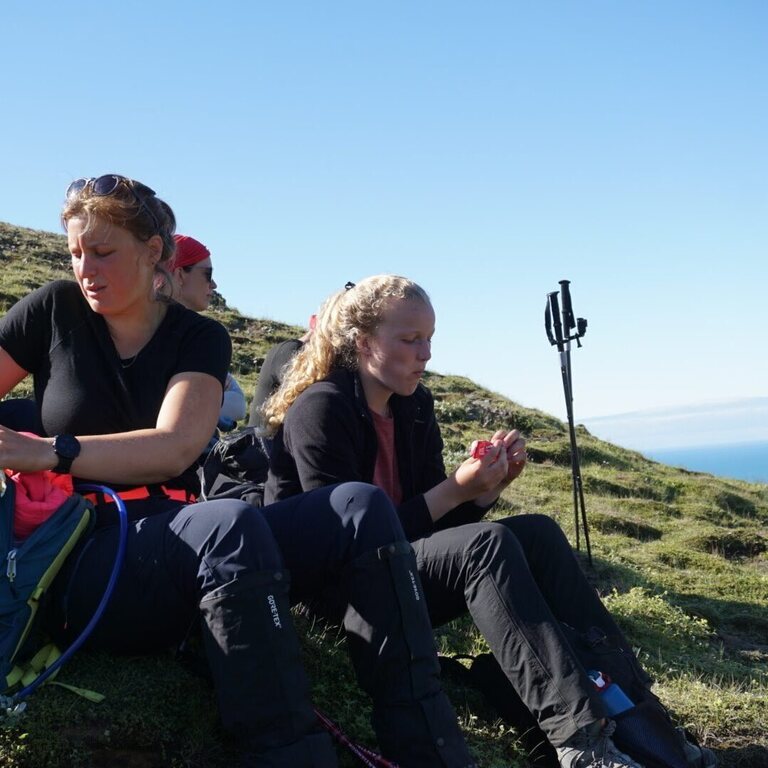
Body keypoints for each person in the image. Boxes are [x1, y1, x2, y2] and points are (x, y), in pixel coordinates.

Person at [0, 185, 476, 768]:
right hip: (75, 551)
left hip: (167, 534)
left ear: (153, 252)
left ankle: (431, 748)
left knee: (357, 505)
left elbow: (173, 448)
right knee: (229, 526)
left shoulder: (197, 336)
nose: (84, 269)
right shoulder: (54, 309)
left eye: (102, 252)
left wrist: (51, 450)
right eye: (76, 253)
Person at [263, 275, 717, 768]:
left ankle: (642, 717)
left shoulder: (413, 406)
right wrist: (456, 488)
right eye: (410, 340)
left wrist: (486, 488)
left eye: (429, 338)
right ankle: (580, 743)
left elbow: (432, 527)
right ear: (364, 341)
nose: (426, 354)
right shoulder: (321, 409)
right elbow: (345, 540)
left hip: (400, 572)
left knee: (537, 533)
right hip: (338, 592)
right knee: (486, 547)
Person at [169, 233, 246, 430]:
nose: (213, 284)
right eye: (208, 274)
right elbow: (237, 404)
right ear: (179, 275)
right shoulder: (203, 337)